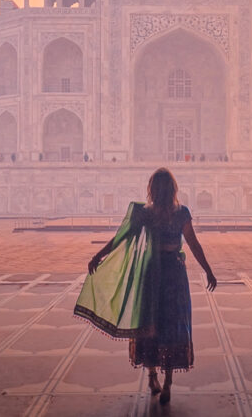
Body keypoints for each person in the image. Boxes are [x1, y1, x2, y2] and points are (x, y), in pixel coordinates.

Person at [74, 167, 216, 405]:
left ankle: (152, 378)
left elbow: (120, 239)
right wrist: (208, 270)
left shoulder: (145, 214)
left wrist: (98, 255)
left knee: (149, 322)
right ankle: (168, 382)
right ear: (173, 189)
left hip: (152, 273)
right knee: (172, 324)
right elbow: (193, 244)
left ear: (152, 189)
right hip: (173, 274)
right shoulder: (181, 213)